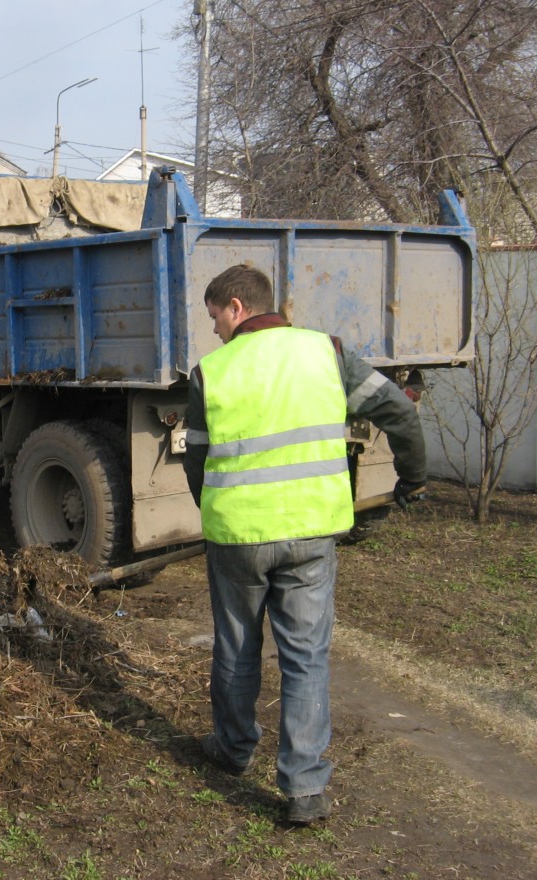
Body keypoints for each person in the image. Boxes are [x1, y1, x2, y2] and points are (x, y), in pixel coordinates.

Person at [183, 264, 426, 825]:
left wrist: (218, 509)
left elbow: (197, 463)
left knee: (237, 648)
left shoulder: (210, 373)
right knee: (306, 657)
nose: (215, 329)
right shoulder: (329, 353)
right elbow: (400, 414)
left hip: (238, 538)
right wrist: (411, 480)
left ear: (238, 307)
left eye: (215, 315)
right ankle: (304, 790)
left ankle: (233, 749)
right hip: (312, 533)